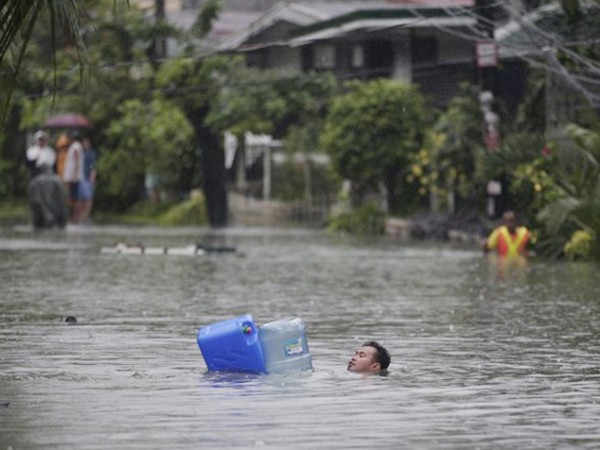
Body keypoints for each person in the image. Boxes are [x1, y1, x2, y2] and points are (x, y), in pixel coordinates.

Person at [28, 164, 69, 230]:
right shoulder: (58, 180)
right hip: (55, 214)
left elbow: (33, 200)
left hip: (39, 214)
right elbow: (63, 199)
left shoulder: (34, 182)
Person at [62, 130, 84, 223]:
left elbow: (76, 161)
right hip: (73, 177)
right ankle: (74, 216)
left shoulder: (75, 147)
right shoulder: (77, 146)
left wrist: (74, 174)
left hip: (73, 177)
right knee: (73, 197)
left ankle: (74, 216)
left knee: (72, 197)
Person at [79, 137, 98, 223]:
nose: (85, 144)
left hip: (88, 178)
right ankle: (81, 215)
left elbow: (93, 168)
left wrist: (92, 179)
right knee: (82, 198)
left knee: (89, 198)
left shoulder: (91, 154)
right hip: (81, 178)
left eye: (87, 142)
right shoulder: (81, 153)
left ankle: (87, 215)